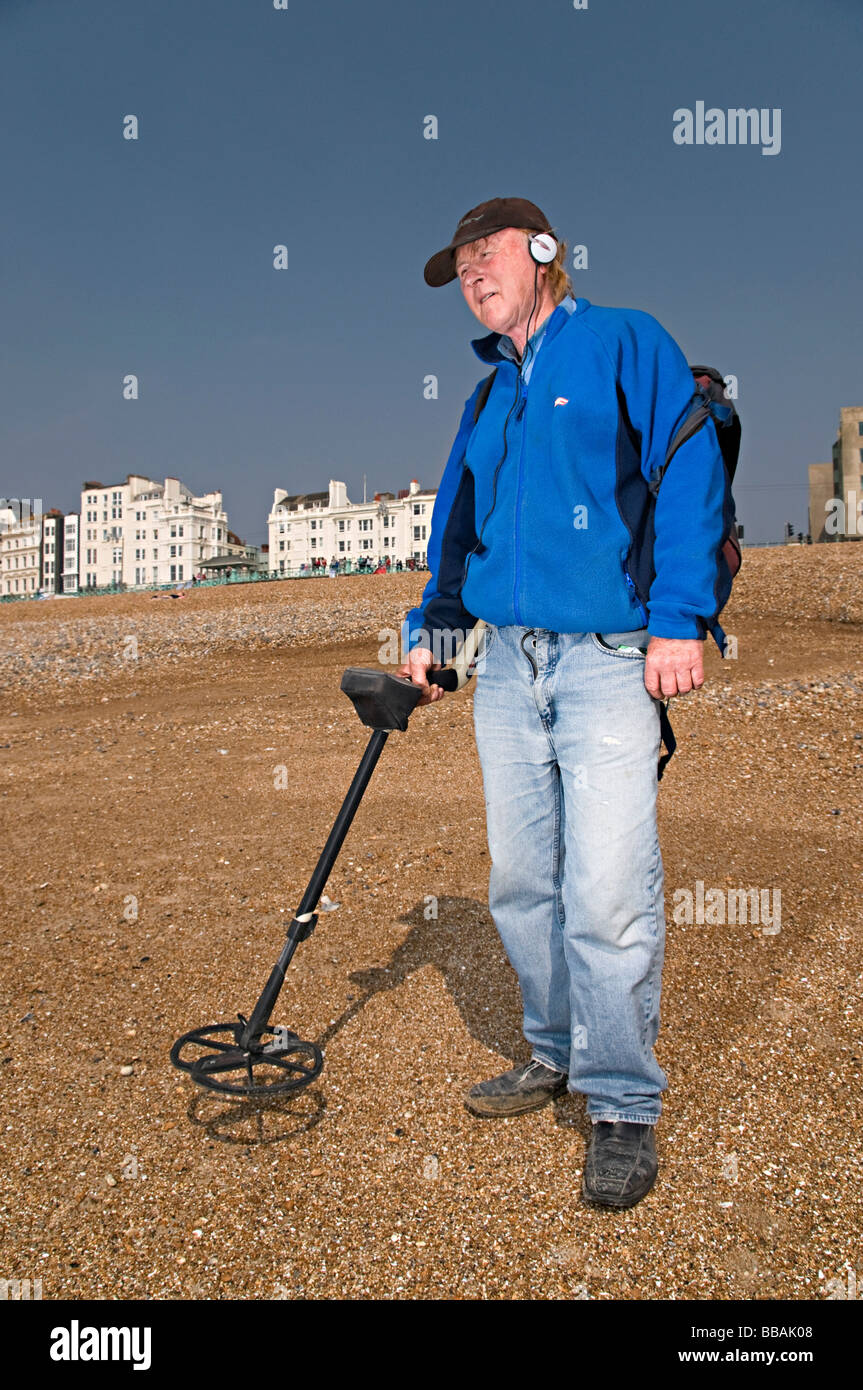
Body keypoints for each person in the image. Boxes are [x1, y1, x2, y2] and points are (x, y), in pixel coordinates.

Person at [397, 197, 733, 1209]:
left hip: (604, 657)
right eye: (456, 266)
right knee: (518, 881)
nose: (468, 274)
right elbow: (463, 521)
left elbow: (685, 468)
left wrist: (678, 615)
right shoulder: (486, 394)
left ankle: (622, 1100)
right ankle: (552, 1050)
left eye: (482, 255)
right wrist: (437, 635)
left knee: (607, 886)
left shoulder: (624, 341)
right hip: (505, 668)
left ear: (544, 253)